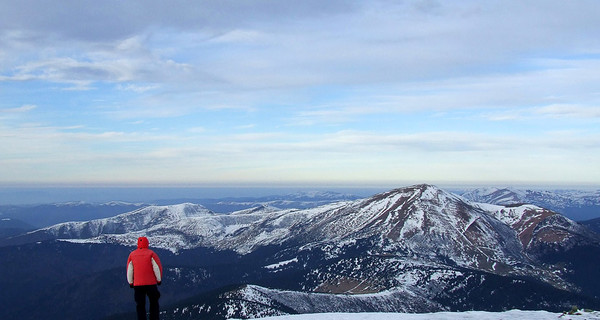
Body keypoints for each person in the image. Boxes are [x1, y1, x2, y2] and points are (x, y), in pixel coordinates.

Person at [127, 236, 163, 320]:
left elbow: (130, 270)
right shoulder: (151, 254)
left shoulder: (132, 255)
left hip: (138, 284)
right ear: (147, 243)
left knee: (140, 305)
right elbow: (156, 268)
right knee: (154, 303)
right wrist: (159, 280)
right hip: (151, 284)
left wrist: (131, 282)